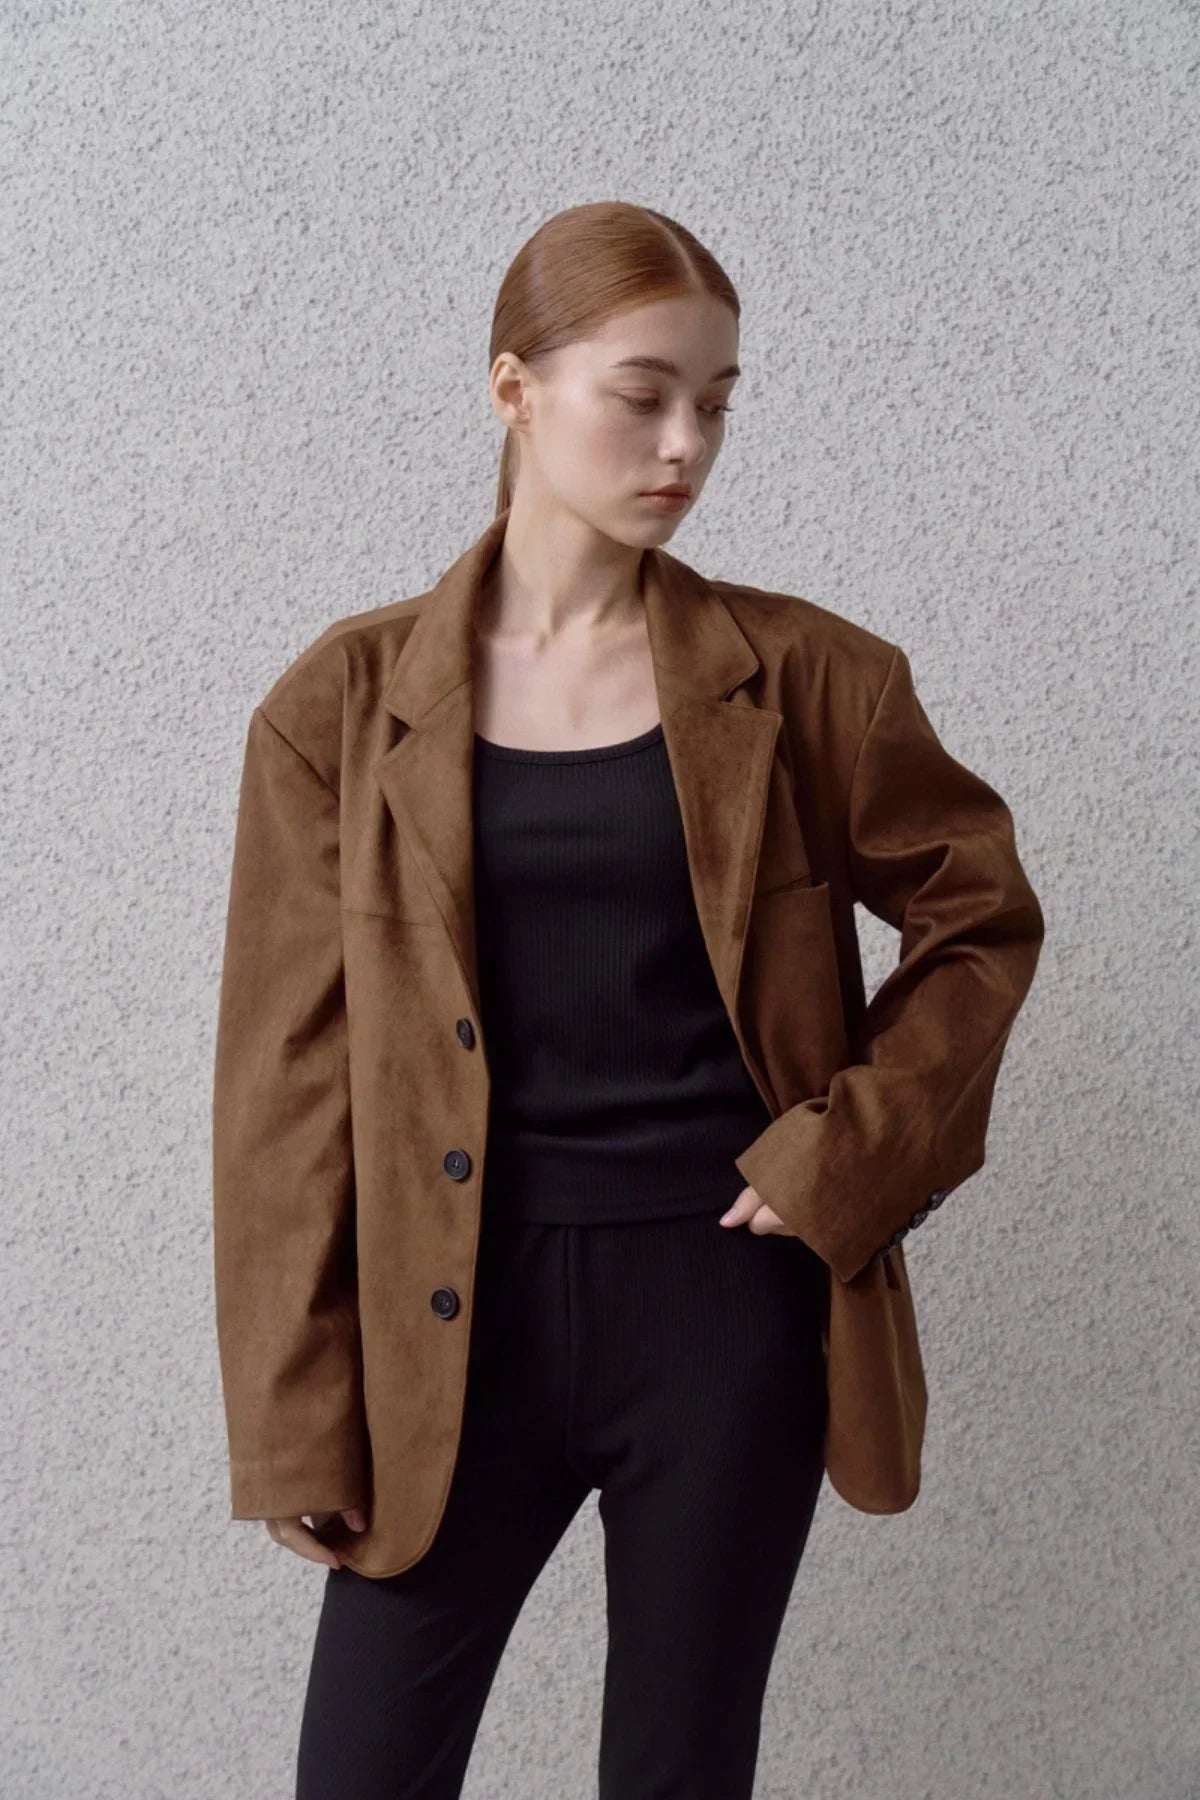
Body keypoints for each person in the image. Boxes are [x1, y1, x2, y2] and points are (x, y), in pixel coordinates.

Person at [211, 200, 1045, 1799]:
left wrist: (845, 1155)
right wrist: (298, 1414)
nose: (686, 446)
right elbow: (284, 1088)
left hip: (721, 1313)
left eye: (716, 404)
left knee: (678, 1770)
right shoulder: (341, 708)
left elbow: (980, 918)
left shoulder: (816, 679)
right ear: (514, 388)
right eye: (643, 395)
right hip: (454, 1325)